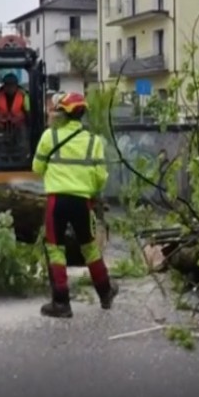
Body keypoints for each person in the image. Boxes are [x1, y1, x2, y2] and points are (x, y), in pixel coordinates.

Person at [31, 91, 116, 319]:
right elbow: (100, 178)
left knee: (55, 249)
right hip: (82, 201)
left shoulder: (50, 137)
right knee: (89, 247)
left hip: (56, 201)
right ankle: (105, 292)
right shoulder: (94, 142)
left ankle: (61, 303)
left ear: (64, 114)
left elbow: (37, 168)